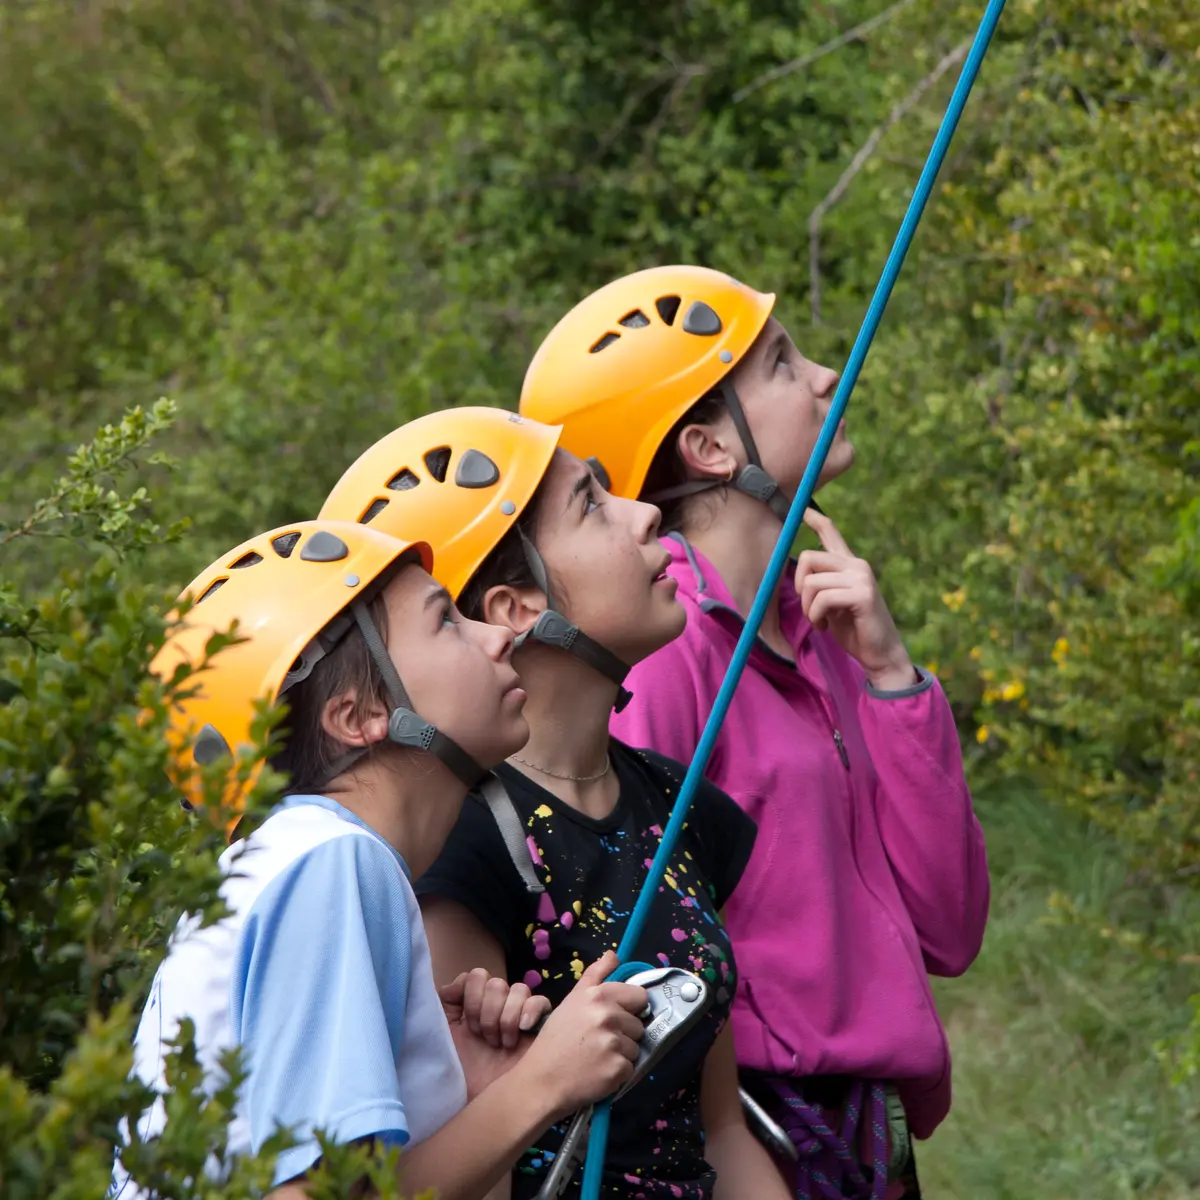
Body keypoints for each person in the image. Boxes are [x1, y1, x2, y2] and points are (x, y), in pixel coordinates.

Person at [518, 265, 991, 1200]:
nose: (825, 377)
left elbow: (950, 926)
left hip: (863, 1143)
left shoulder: (823, 628)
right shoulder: (668, 661)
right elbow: (638, 939)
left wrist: (895, 680)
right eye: (781, 363)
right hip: (759, 1143)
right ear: (707, 445)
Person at [318, 407, 792, 1200]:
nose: (646, 513)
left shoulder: (674, 802)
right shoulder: (462, 845)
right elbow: (459, 1165)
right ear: (513, 607)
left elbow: (720, 1130)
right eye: (593, 504)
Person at [112, 519, 652, 1200]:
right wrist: (547, 1082)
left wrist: (472, 1095)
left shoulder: (287, 860)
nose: (495, 634)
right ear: (360, 713)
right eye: (447, 623)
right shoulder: (330, 863)